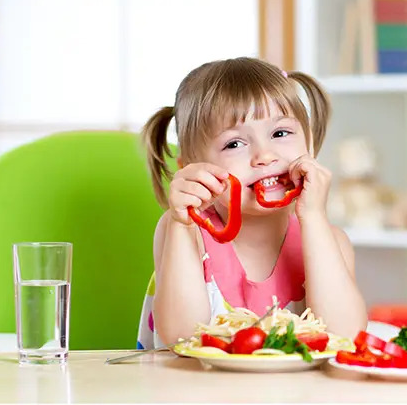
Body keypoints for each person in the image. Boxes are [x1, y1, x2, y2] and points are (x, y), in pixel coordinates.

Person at [137, 57, 367, 349]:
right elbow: (182, 339)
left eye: (280, 133)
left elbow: (344, 336)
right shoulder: (185, 231)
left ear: (309, 144)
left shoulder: (329, 240)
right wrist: (182, 223)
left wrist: (314, 219)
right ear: (193, 168)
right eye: (234, 144)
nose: (265, 156)